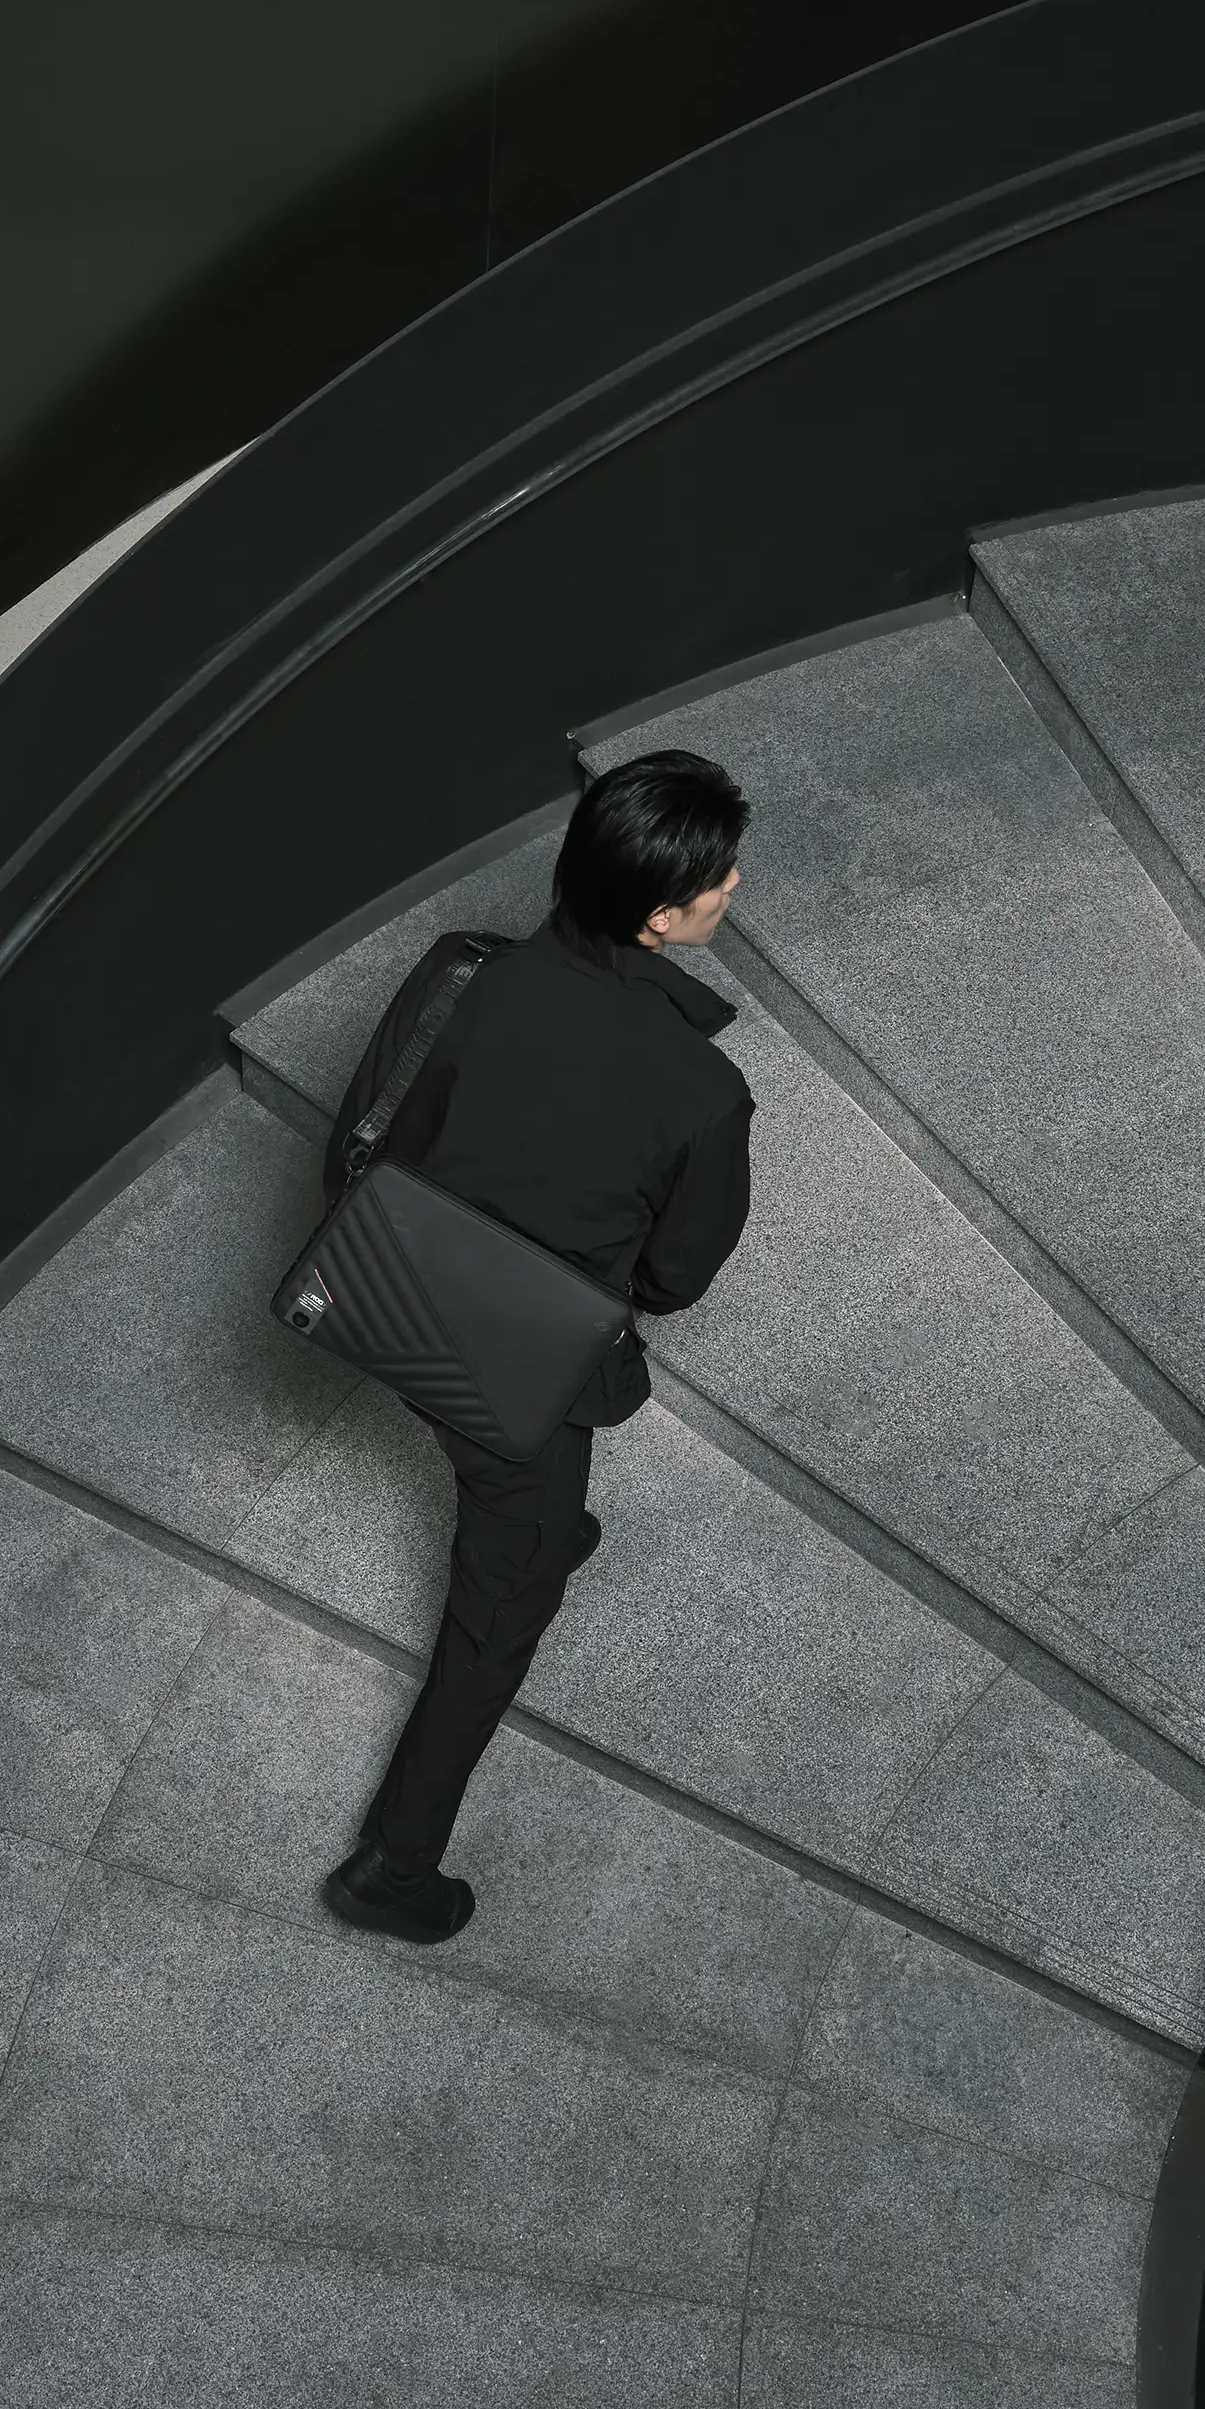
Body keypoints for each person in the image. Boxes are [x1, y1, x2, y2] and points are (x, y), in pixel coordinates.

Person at [321, 749, 753, 1944]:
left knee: (537, 1526)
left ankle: (551, 1534)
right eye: (718, 876)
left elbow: (360, 1140)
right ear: (662, 917)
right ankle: (393, 1871)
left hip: (378, 1298)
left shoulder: (462, 971)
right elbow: (673, 1279)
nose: (734, 882)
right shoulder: (701, 1093)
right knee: (494, 1617)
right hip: (512, 1380)